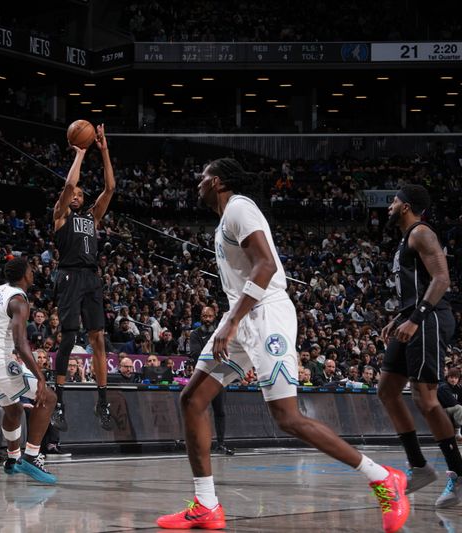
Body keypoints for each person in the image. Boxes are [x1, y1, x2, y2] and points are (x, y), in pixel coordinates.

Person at [157, 159, 407, 532]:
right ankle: (206, 504)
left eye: (204, 177)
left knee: (287, 418)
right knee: (192, 399)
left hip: (265, 316)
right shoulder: (226, 218)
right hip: (241, 317)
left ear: (219, 181)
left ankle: (381, 477)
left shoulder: (240, 207)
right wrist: (234, 320)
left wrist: (233, 321)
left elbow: (267, 266)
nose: (198, 182)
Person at [377, 184, 460, 507]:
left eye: (394, 201)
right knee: (386, 389)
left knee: (425, 399)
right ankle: (420, 466)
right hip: (413, 317)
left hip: (430, 318)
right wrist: (400, 317)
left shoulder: (421, 232)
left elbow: (441, 279)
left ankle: (458, 471)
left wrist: (415, 318)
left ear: (407, 206)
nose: (390, 206)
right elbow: (416, 288)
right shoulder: (404, 238)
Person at [0, 258, 58, 483]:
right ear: (23, 275)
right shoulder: (19, 300)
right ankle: (31, 456)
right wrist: (40, 377)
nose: (33, 272)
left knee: (14, 409)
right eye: (30, 270)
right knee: (48, 397)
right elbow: (20, 343)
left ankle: (12, 458)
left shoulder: (1, 290)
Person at [51, 124, 115, 432]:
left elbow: (110, 188)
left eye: (79, 193)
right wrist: (80, 153)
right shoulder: (60, 215)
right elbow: (67, 185)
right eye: (72, 193)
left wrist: (103, 151)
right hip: (68, 276)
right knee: (67, 338)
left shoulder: (92, 217)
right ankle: (58, 401)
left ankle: (102, 401)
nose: (75, 194)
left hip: (91, 278)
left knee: (98, 339)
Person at [188, 306, 232, 454]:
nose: (207, 319)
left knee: (220, 411)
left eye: (210, 316)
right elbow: (195, 354)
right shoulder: (195, 334)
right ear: (201, 317)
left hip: (219, 377)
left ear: (215, 317)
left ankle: (220, 443)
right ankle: (199, 443)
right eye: (204, 316)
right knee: (199, 410)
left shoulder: (219, 334)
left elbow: (226, 355)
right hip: (202, 377)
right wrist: (215, 357)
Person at [438, 368, 462, 442]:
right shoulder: (443, 387)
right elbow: (451, 402)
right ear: (448, 377)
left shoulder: (458, 388)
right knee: (459, 408)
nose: (453, 380)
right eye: (451, 377)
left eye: (456, 378)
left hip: (452, 410)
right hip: (443, 410)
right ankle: (457, 432)